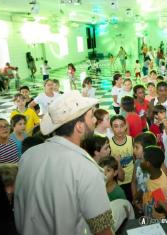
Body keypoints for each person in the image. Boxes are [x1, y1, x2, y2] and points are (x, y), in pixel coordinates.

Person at [14, 91, 114, 235]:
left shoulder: (29, 155)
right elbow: (102, 228)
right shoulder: (85, 168)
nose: (94, 121)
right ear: (79, 127)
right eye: (91, 116)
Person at [109, 115, 134, 202]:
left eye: (121, 126)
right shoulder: (108, 144)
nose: (119, 129)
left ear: (125, 126)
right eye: (116, 126)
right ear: (111, 128)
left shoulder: (132, 140)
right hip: (118, 183)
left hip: (132, 181)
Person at [141, 146, 167, 219]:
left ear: (148, 164)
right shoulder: (154, 175)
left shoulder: (160, 187)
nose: (140, 161)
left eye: (142, 159)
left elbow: (163, 212)